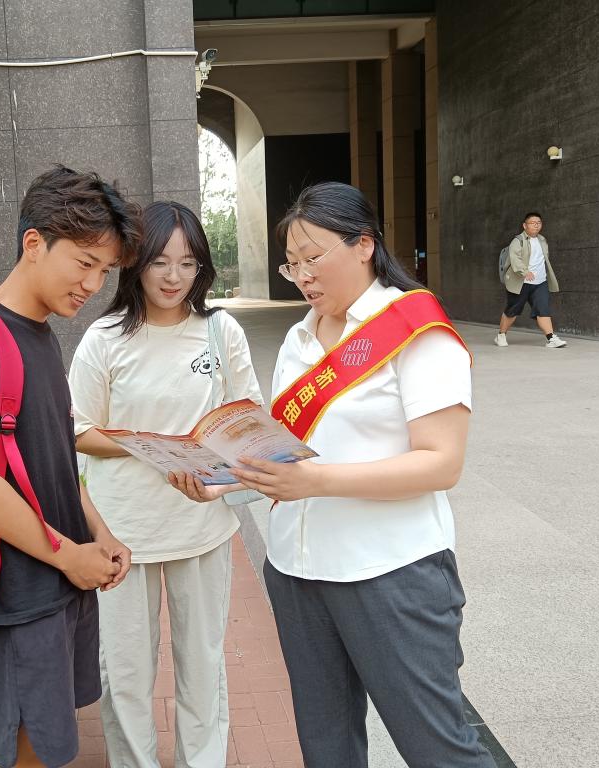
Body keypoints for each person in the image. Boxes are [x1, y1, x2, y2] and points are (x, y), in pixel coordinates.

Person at [171, 182, 495, 768]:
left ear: (364, 244)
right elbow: (287, 456)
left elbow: (441, 462)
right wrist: (223, 480)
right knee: (325, 745)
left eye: (313, 258)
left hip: (389, 572)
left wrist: (318, 483)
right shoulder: (300, 337)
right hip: (296, 571)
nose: (302, 276)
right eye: (291, 264)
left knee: (436, 747)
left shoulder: (418, 332)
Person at [0, 166, 140, 768]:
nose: (93, 284)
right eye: (85, 262)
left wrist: (99, 533)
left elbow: (55, 458)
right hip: (17, 596)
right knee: (31, 753)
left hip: (59, 581)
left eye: (105, 270)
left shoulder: (41, 334)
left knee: (53, 743)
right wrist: (67, 555)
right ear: (34, 242)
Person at [68, 201, 264, 768]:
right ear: (135, 264)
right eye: (159, 261)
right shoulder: (105, 337)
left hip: (202, 524)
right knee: (126, 671)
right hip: (123, 530)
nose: (174, 277)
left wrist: (218, 478)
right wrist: (148, 445)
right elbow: (77, 430)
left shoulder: (220, 331)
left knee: (202, 664)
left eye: (188, 263)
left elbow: (249, 420)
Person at [495, 212, 566, 348]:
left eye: (539, 223)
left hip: (540, 282)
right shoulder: (518, 241)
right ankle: (501, 335)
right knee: (512, 310)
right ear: (524, 225)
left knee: (543, 309)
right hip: (520, 282)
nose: (536, 225)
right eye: (533, 223)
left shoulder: (542, 240)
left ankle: (551, 338)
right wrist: (524, 271)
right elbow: (515, 258)